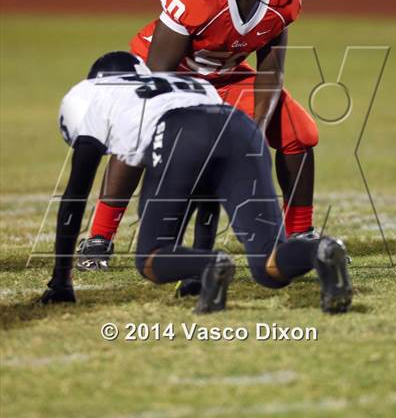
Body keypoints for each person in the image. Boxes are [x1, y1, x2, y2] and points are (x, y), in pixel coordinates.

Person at [83, 0, 319, 271]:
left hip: (225, 75)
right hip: (168, 73)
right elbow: (161, 73)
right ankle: (99, 237)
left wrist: (251, 132)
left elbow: (271, 72)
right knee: (139, 133)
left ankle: (302, 235)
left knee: (298, 132)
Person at [41, 66, 353, 314]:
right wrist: (198, 272)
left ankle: (207, 264)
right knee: (268, 266)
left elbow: (74, 198)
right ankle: (320, 250)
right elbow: (210, 187)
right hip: (241, 127)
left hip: (181, 135)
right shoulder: (180, 84)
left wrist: (61, 281)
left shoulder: (94, 100)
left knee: (150, 258)